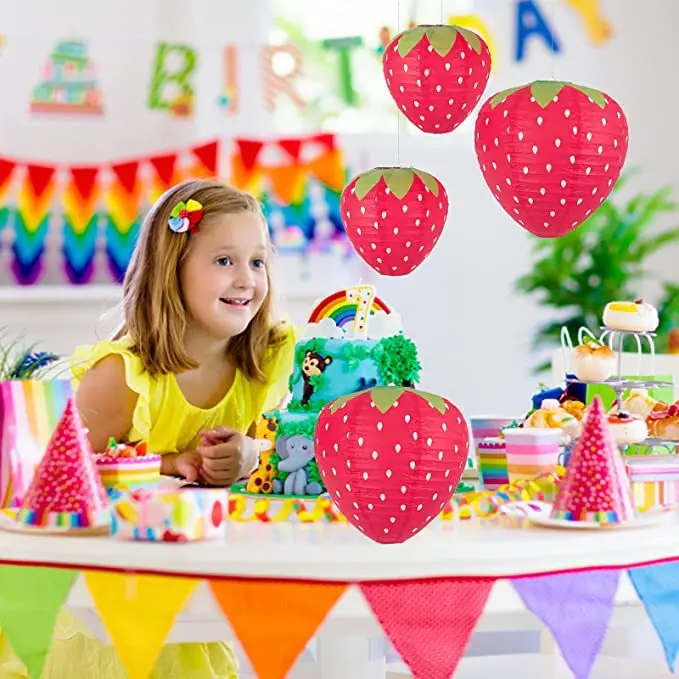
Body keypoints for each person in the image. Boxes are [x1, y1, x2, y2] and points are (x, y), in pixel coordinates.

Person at [0, 179, 296, 679]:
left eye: (258, 261)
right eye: (224, 261)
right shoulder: (123, 376)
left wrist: (251, 453)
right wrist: (166, 465)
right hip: (100, 604)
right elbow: (58, 482)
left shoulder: (265, 362)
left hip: (190, 588)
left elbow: (288, 449)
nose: (246, 278)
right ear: (171, 270)